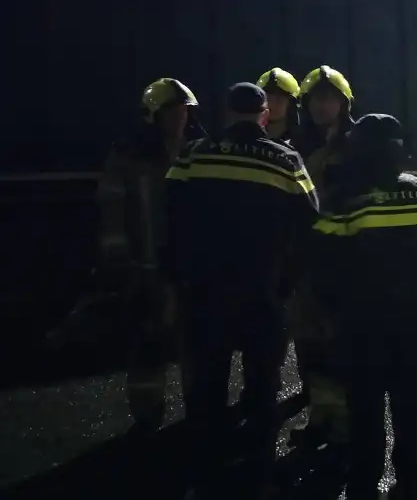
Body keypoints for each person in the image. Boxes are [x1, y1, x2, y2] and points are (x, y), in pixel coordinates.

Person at [166, 83, 318, 499]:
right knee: (263, 383)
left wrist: (176, 273)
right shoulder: (286, 159)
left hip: (205, 290)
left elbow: (170, 215)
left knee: (208, 384)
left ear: (228, 113)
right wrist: (290, 279)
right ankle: (257, 472)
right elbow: (310, 225)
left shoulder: (195, 154)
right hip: (263, 291)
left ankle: (205, 473)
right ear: (264, 114)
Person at [310, 114, 417, 500]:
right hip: (416, 314)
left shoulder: (344, 197)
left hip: (362, 318)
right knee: (408, 393)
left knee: (365, 400)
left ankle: (365, 478)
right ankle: (410, 477)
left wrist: (326, 311)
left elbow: (323, 261)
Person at [90, 78, 205, 435]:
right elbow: (112, 206)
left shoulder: (199, 149)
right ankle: (147, 413)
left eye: (183, 110)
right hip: (148, 266)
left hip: (191, 266)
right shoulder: (130, 155)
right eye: (170, 110)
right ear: (152, 115)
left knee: (195, 342)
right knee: (148, 343)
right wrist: (119, 259)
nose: (179, 117)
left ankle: (198, 411)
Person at [289, 64, 355, 449]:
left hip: (345, 262)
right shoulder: (297, 145)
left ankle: (345, 427)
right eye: (315, 99)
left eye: (329, 99)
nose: (321, 106)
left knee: (342, 344)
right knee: (311, 343)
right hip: (308, 260)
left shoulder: (359, 145)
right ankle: (322, 417)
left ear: (343, 104)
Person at [256, 67, 301, 144]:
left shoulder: (303, 144)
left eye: (279, 99)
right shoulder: (245, 140)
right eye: (267, 98)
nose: (272, 104)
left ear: (291, 105)